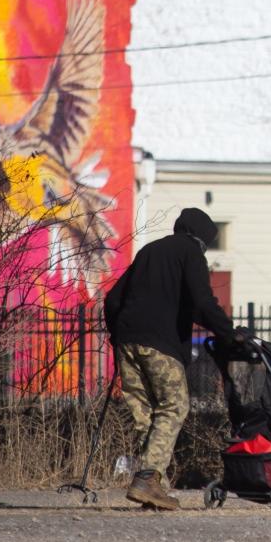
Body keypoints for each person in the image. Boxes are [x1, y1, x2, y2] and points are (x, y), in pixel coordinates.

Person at [104, 207, 241, 510]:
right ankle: (149, 479)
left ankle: (153, 488)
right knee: (174, 406)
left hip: (127, 342)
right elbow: (203, 303)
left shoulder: (150, 251)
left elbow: (113, 299)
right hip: (159, 345)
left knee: (146, 416)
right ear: (203, 239)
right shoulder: (191, 253)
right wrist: (229, 334)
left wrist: (119, 333)